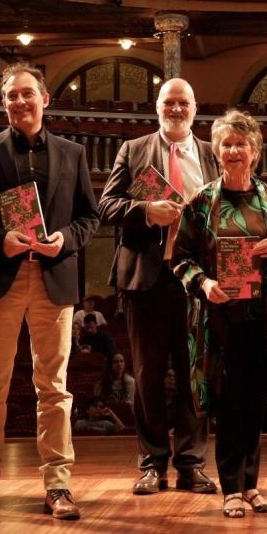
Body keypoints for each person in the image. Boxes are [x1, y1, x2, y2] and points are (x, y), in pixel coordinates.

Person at [0, 62, 100, 523]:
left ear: (45, 98)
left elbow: (89, 218)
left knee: (54, 390)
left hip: (53, 280)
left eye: (27, 93)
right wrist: (1, 239)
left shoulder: (72, 153)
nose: (20, 101)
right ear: (3, 103)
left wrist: (65, 241)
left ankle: (58, 485)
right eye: (11, 95)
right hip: (0, 278)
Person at [97, 78, 220, 496]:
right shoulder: (132, 150)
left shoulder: (211, 154)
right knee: (147, 374)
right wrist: (148, 210)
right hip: (146, 279)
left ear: (195, 108)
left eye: (183, 102)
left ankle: (191, 463)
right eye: (169, 102)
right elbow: (107, 205)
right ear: (157, 107)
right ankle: (151, 462)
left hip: (196, 281)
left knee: (193, 374)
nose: (176, 108)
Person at [172, 109, 267, 518]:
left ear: (255, 150)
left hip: (264, 317)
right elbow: (180, 259)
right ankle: (231, 488)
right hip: (218, 320)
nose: (234, 150)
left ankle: (252, 485)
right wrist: (205, 284)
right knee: (228, 404)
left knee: (255, 401)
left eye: (242, 143)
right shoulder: (201, 202)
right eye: (227, 144)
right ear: (217, 152)